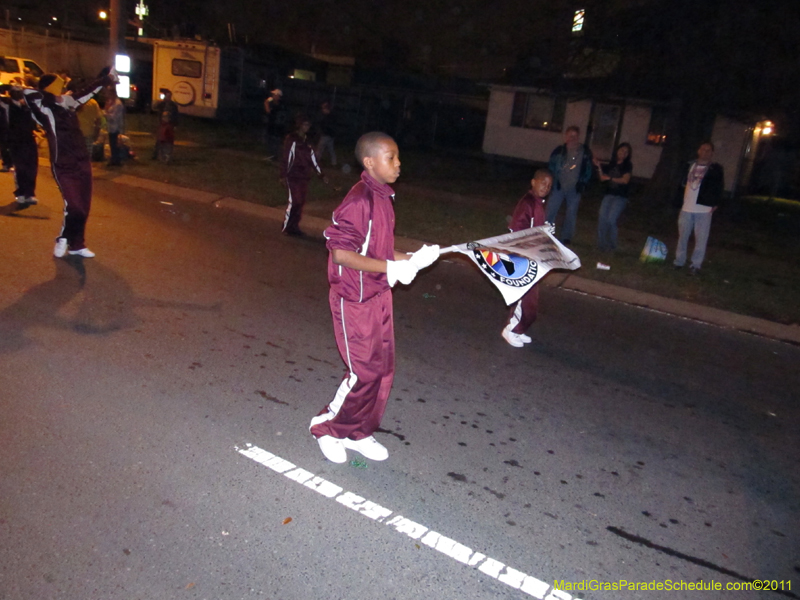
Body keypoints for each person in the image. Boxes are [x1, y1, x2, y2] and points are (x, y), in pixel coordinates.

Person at [309, 132, 439, 463]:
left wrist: (412, 258)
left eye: (397, 156)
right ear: (370, 162)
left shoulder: (383, 197)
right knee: (363, 373)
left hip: (379, 295)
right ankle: (328, 428)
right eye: (391, 157)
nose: (398, 163)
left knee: (382, 371)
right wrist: (392, 268)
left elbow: (379, 249)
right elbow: (341, 253)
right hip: (353, 299)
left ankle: (359, 431)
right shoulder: (359, 201)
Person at [22, 68, 118, 258]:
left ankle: (76, 244)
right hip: (63, 164)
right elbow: (27, 93)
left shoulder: (69, 102)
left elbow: (88, 91)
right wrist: (54, 97)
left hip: (82, 160)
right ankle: (63, 238)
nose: (62, 89)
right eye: (58, 86)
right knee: (74, 207)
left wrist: (106, 79)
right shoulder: (44, 109)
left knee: (84, 206)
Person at [501, 169, 553, 348]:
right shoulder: (527, 203)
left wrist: (544, 231)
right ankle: (511, 330)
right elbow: (516, 229)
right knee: (526, 300)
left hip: (531, 256)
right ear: (533, 182)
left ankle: (519, 329)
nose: (545, 188)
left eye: (549, 186)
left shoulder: (537, 203)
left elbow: (534, 227)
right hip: (522, 258)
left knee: (529, 299)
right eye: (543, 183)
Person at [673, 141, 724, 275]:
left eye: (708, 150)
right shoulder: (689, 165)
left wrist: (715, 203)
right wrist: (678, 201)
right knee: (682, 236)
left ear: (712, 153)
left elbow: (719, 187)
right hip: (686, 207)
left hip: (703, 208)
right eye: (703, 149)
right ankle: (679, 261)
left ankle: (695, 265)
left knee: (701, 239)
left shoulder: (715, 169)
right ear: (698, 150)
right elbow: (681, 184)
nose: (705, 152)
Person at [279, 114, 327, 236]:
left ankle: (294, 226)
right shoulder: (292, 139)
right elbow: (287, 157)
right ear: (299, 125)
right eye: (305, 124)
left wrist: (321, 174)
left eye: (308, 125)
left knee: (300, 202)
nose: (307, 127)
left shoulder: (308, 142)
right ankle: (287, 226)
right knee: (294, 201)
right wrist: (283, 174)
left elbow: (313, 159)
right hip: (293, 175)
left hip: (304, 176)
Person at [546, 125, 594, 244]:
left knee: (571, 213)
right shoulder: (559, 151)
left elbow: (588, 169)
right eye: (570, 135)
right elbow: (551, 166)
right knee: (551, 210)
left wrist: (583, 183)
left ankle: (566, 237)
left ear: (578, 137)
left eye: (575, 136)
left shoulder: (585, 152)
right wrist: (552, 181)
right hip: (559, 186)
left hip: (575, 188)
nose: (572, 138)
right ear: (565, 137)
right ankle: (546, 233)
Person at [0, 86, 39, 206]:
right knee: (20, 167)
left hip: (29, 139)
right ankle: (21, 193)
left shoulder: (27, 106)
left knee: (31, 167)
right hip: (14, 140)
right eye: (16, 92)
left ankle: (30, 193)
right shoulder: (7, 105)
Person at [594, 142, 633, 252]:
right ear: (617, 150)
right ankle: (601, 244)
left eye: (626, 152)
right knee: (602, 217)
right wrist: (598, 166)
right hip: (609, 194)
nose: (623, 153)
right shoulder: (612, 164)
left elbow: (625, 180)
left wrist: (610, 178)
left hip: (620, 196)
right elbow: (603, 178)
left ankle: (612, 245)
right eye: (622, 150)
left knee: (611, 219)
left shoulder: (627, 165)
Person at [72, 81, 103, 158]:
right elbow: (98, 121)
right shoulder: (93, 103)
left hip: (76, 134)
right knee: (87, 157)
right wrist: (96, 133)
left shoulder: (75, 102)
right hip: (88, 134)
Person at [153, 88, 179, 162]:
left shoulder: (173, 105)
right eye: (167, 96)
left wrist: (175, 125)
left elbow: (176, 115)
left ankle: (167, 156)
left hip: (169, 124)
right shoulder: (162, 103)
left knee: (168, 140)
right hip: (162, 124)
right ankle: (157, 155)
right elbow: (155, 107)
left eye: (169, 96)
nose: (168, 97)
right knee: (160, 139)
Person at [104, 86, 125, 166]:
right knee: (112, 144)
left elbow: (114, 117)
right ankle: (114, 158)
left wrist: (106, 114)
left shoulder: (117, 104)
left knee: (115, 143)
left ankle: (116, 160)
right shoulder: (111, 102)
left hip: (115, 127)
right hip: (110, 127)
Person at [264, 88, 285, 159]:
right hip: (274, 125)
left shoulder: (278, 105)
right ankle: (273, 155)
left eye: (274, 95)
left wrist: (267, 102)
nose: (273, 96)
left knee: (274, 140)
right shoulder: (278, 104)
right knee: (271, 140)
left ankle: (274, 155)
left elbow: (268, 111)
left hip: (276, 125)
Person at [315, 101, 337, 166]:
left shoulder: (328, 117)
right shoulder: (330, 116)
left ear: (327, 109)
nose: (322, 110)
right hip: (330, 135)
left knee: (320, 148)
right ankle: (334, 162)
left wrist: (322, 131)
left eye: (324, 109)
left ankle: (316, 161)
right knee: (330, 149)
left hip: (326, 135)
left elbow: (326, 126)